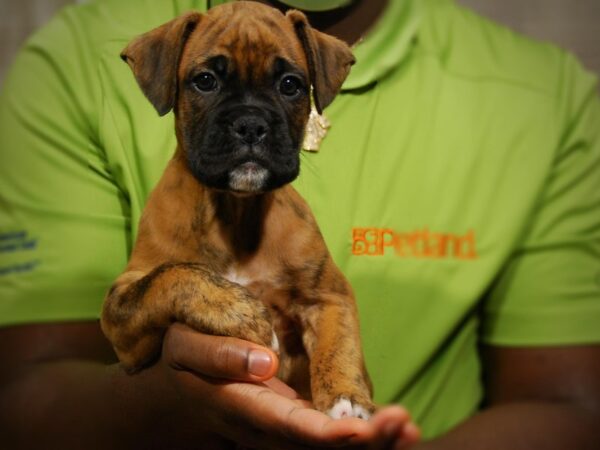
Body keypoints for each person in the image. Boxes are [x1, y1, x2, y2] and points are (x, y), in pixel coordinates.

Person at [0, 0, 599, 448]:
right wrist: (171, 401)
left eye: (288, 88)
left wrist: (345, 406)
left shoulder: (546, 97)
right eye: (208, 82)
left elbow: (573, 407)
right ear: (169, 81)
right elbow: (33, 388)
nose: (252, 123)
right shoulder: (76, 60)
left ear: (316, 84)